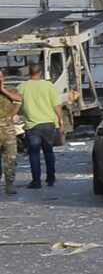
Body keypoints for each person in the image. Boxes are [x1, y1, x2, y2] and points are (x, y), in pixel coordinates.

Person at [16, 61, 63, 190]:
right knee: (48, 151)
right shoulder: (48, 86)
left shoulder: (22, 87)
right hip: (49, 123)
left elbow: (18, 103)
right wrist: (61, 121)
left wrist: (12, 115)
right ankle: (51, 178)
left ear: (29, 73)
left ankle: (36, 181)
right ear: (41, 72)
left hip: (32, 125)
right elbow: (56, 106)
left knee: (34, 153)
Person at [0, 70, 21, 194]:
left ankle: (9, 184)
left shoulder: (10, 90)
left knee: (10, 158)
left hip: (8, 130)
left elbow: (18, 99)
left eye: (1, 76)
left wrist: (3, 90)